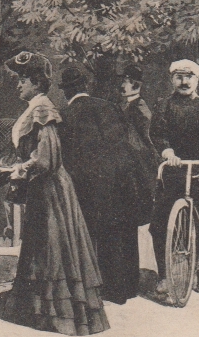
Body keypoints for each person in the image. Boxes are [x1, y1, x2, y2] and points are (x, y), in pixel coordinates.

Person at [0, 51, 109, 336]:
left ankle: (60, 318)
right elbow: (9, 156)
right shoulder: (31, 111)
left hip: (52, 192)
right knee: (40, 250)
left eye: (23, 79)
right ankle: (41, 313)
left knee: (52, 251)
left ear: (35, 81)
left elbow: (46, 160)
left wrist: (16, 172)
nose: (18, 85)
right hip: (41, 192)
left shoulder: (43, 110)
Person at [58, 66, 156, 304]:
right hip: (124, 178)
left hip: (92, 184)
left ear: (66, 92)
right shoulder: (109, 106)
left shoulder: (66, 114)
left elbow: (67, 156)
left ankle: (105, 289)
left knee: (100, 234)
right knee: (123, 231)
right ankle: (127, 288)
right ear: (85, 88)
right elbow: (128, 140)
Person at [149, 59, 199, 297]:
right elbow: (157, 132)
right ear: (172, 80)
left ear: (197, 80)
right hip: (173, 171)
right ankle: (163, 275)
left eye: (189, 77)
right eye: (179, 76)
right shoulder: (164, 106)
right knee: (159, 224)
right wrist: (167, 152)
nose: (184, 81)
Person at [116, 63, 153, 147]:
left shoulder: (141, 107)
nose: (122, 86)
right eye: (122, 82)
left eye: (125, 82)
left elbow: (147, 137)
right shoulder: (121, 105)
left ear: (136, 85)